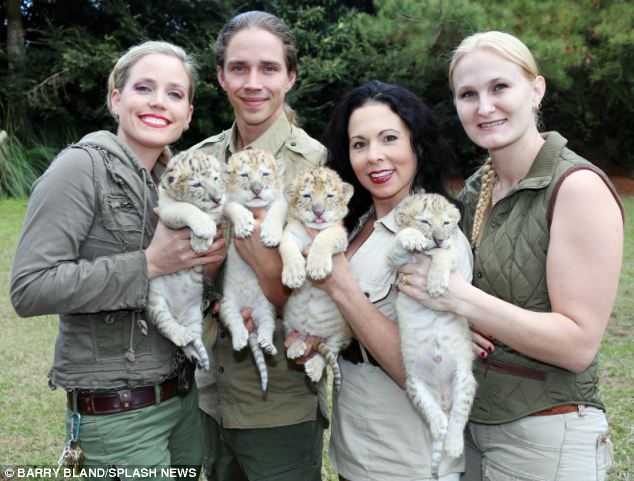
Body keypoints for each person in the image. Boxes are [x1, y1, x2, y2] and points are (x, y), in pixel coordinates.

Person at [397, 31, 623, 481]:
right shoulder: (479, 188)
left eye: (500, 87)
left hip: (546, 435)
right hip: (475, 429)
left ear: (535, 90)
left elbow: (577, 345)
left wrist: (459, 301)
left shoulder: (576, 187)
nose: (484, 107)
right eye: (468, 94)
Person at [10, 41, 226, 478]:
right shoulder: (79, 169)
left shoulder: (176, 181)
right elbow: (30, 288)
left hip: (183, 403)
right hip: (120, 416)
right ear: (116, 97)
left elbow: (182, 288)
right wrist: (147, 264)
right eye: (144, 87)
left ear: (187, 114)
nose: (158, 102)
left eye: (174, 94)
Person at [189, 11, 328, 481]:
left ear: (291, 76)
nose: (253, 83)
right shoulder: (202, 159)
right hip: (208, 393)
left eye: (269, 68)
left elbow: (328, 285)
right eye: (239, 68)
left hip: (279, 405)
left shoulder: (315, 164)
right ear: (220, 76)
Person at [317, 80, 473, 481]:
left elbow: (428, 375)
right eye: (359, 144)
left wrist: (341, 287)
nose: (375, 157)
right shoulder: (356, 225)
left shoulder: (435, 239)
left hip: (408, 462)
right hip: (355, 449)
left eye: (389, 139)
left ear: (416, 144)